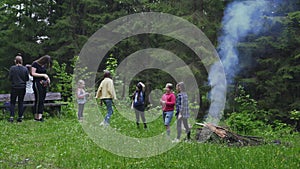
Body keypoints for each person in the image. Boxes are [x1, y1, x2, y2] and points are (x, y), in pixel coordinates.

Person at [8, 55, 29, 123]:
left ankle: (11, 116)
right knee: (21, 102)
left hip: (14, 87)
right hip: (22, 87)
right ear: (21, 61)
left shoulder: (12, 68)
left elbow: (10, 78)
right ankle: (20, 116)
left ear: (15, 61)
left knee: (13, 102)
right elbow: (27, 78)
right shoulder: (25, 69)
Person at [31, 55, 52, 122]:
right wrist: (43, 75)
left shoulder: (44, 66)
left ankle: (40, 116)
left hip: (43, 84)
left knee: (42, 99)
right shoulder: (35, 64)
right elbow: (33, 73)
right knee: (38, 99)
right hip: (37, 83)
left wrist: (48, 79)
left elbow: (46, 74)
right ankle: (36, 116)